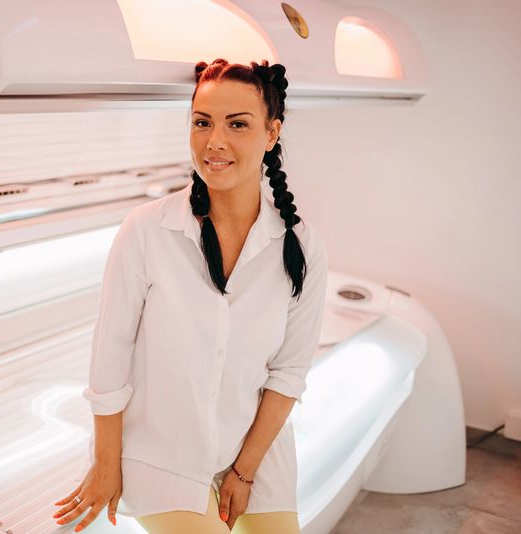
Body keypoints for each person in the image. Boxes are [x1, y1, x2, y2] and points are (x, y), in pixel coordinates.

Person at [52, 58, 328, 533]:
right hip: (160, 455)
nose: (214, 142)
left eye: (237, 125)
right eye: (202, 123)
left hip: (256, 451)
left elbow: (288, 371)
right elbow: (110, 358)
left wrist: (244, 470)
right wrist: (106, 462)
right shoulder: (147, 230)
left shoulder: (301, 245)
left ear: (271, 133)